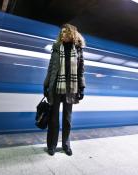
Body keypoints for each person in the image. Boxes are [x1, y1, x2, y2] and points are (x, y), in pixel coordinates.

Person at [43, 24, 86, 156]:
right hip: (56, 88)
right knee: (53, 119)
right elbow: (51, 69)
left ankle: (66, 145)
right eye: (61, 33)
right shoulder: (56, 48)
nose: (62, 35)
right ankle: (51, 146)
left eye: (65, 33)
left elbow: (81, 70)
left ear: (71, 34)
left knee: (67, 119)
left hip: (70, 89)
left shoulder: (78, 50)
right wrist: (46, 85)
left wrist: (82, 87)